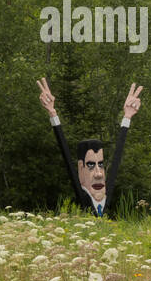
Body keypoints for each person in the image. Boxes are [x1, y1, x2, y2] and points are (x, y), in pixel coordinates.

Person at [36, 78, 142, 219]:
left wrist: (127, 116)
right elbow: (65, 153)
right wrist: (52, 113)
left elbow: (117, 156)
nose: (99, 174)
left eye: (101, 165)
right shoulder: (83, 197)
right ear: (81, 169)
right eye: (91, 165)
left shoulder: (106, 192)